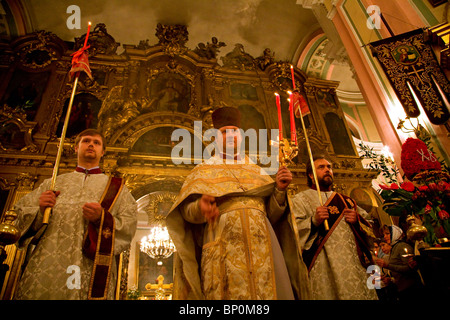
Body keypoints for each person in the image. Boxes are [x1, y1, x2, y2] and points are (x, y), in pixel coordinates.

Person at [166, 107, 310, 300]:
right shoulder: (203, 171)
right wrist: (200, 207)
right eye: (225, 132)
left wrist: (279, 191)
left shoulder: (257, 170)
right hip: (222, 250)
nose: (231, 135)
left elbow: (273, 216)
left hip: (264, 249)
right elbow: (185, 213)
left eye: (235, 131)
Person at [13, 129, 137, 299]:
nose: (91, 144)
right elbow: (18, 222)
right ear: (76, 148)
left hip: (89, 265)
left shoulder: (118, 189)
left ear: (103, 152)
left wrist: (102, 218)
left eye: (96, 142)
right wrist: (40, 211)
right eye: (86, 141)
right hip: (47, 262)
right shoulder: (52, 183)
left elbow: (129, 225)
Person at [290, 155, 378, 300]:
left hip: (353, 265)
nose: (327, 170)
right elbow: (292, 231)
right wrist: (313, 221)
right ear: (311, 175)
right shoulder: (301, 199)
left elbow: (371, 230)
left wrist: (357, 220)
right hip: (322, 265)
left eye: (329, 167)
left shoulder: (347, 201)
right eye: (321, 167)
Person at [375, 225, 424, 300]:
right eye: (384, 234)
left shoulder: (401, 246)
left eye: (387, 234)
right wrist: (389, 278)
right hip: (402, 289)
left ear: (395, 233)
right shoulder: (394, 248)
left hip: (411, 288)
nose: (385, 237)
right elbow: (397, 268)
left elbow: (410, 268)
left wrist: (387, 265)